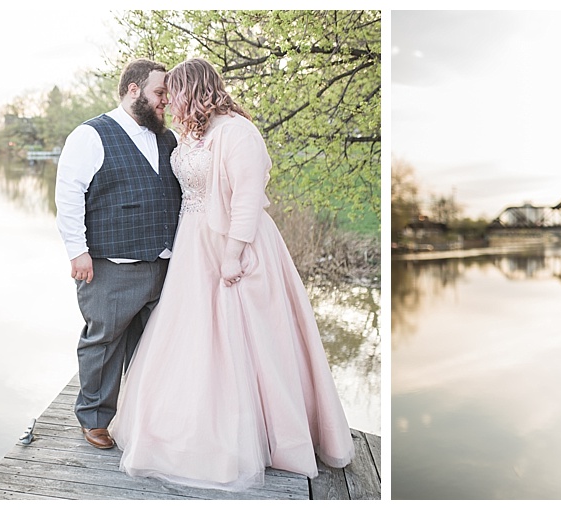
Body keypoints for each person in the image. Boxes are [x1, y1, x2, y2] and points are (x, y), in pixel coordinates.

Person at [107, 58, 354, 491]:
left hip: (235, 248)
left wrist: (233, 255)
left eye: (174, 92)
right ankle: (187, 428)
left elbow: (247, 198)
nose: (169, 101)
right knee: (193, 336)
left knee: (247, 340)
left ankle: (266, 436)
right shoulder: (194, 134)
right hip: (192, 246)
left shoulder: (239, 133)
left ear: (195, 90)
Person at [53, 58, 180, 451]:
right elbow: (68, 195)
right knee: (103, 343)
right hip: (111, 266)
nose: (166, 102)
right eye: (160, 93)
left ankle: (142, 418)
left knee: (153, 346)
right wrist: (78, 252)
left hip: (164, 263)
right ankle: (94, 418)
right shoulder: (90, 135)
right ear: (133, 90)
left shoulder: (168, 138)